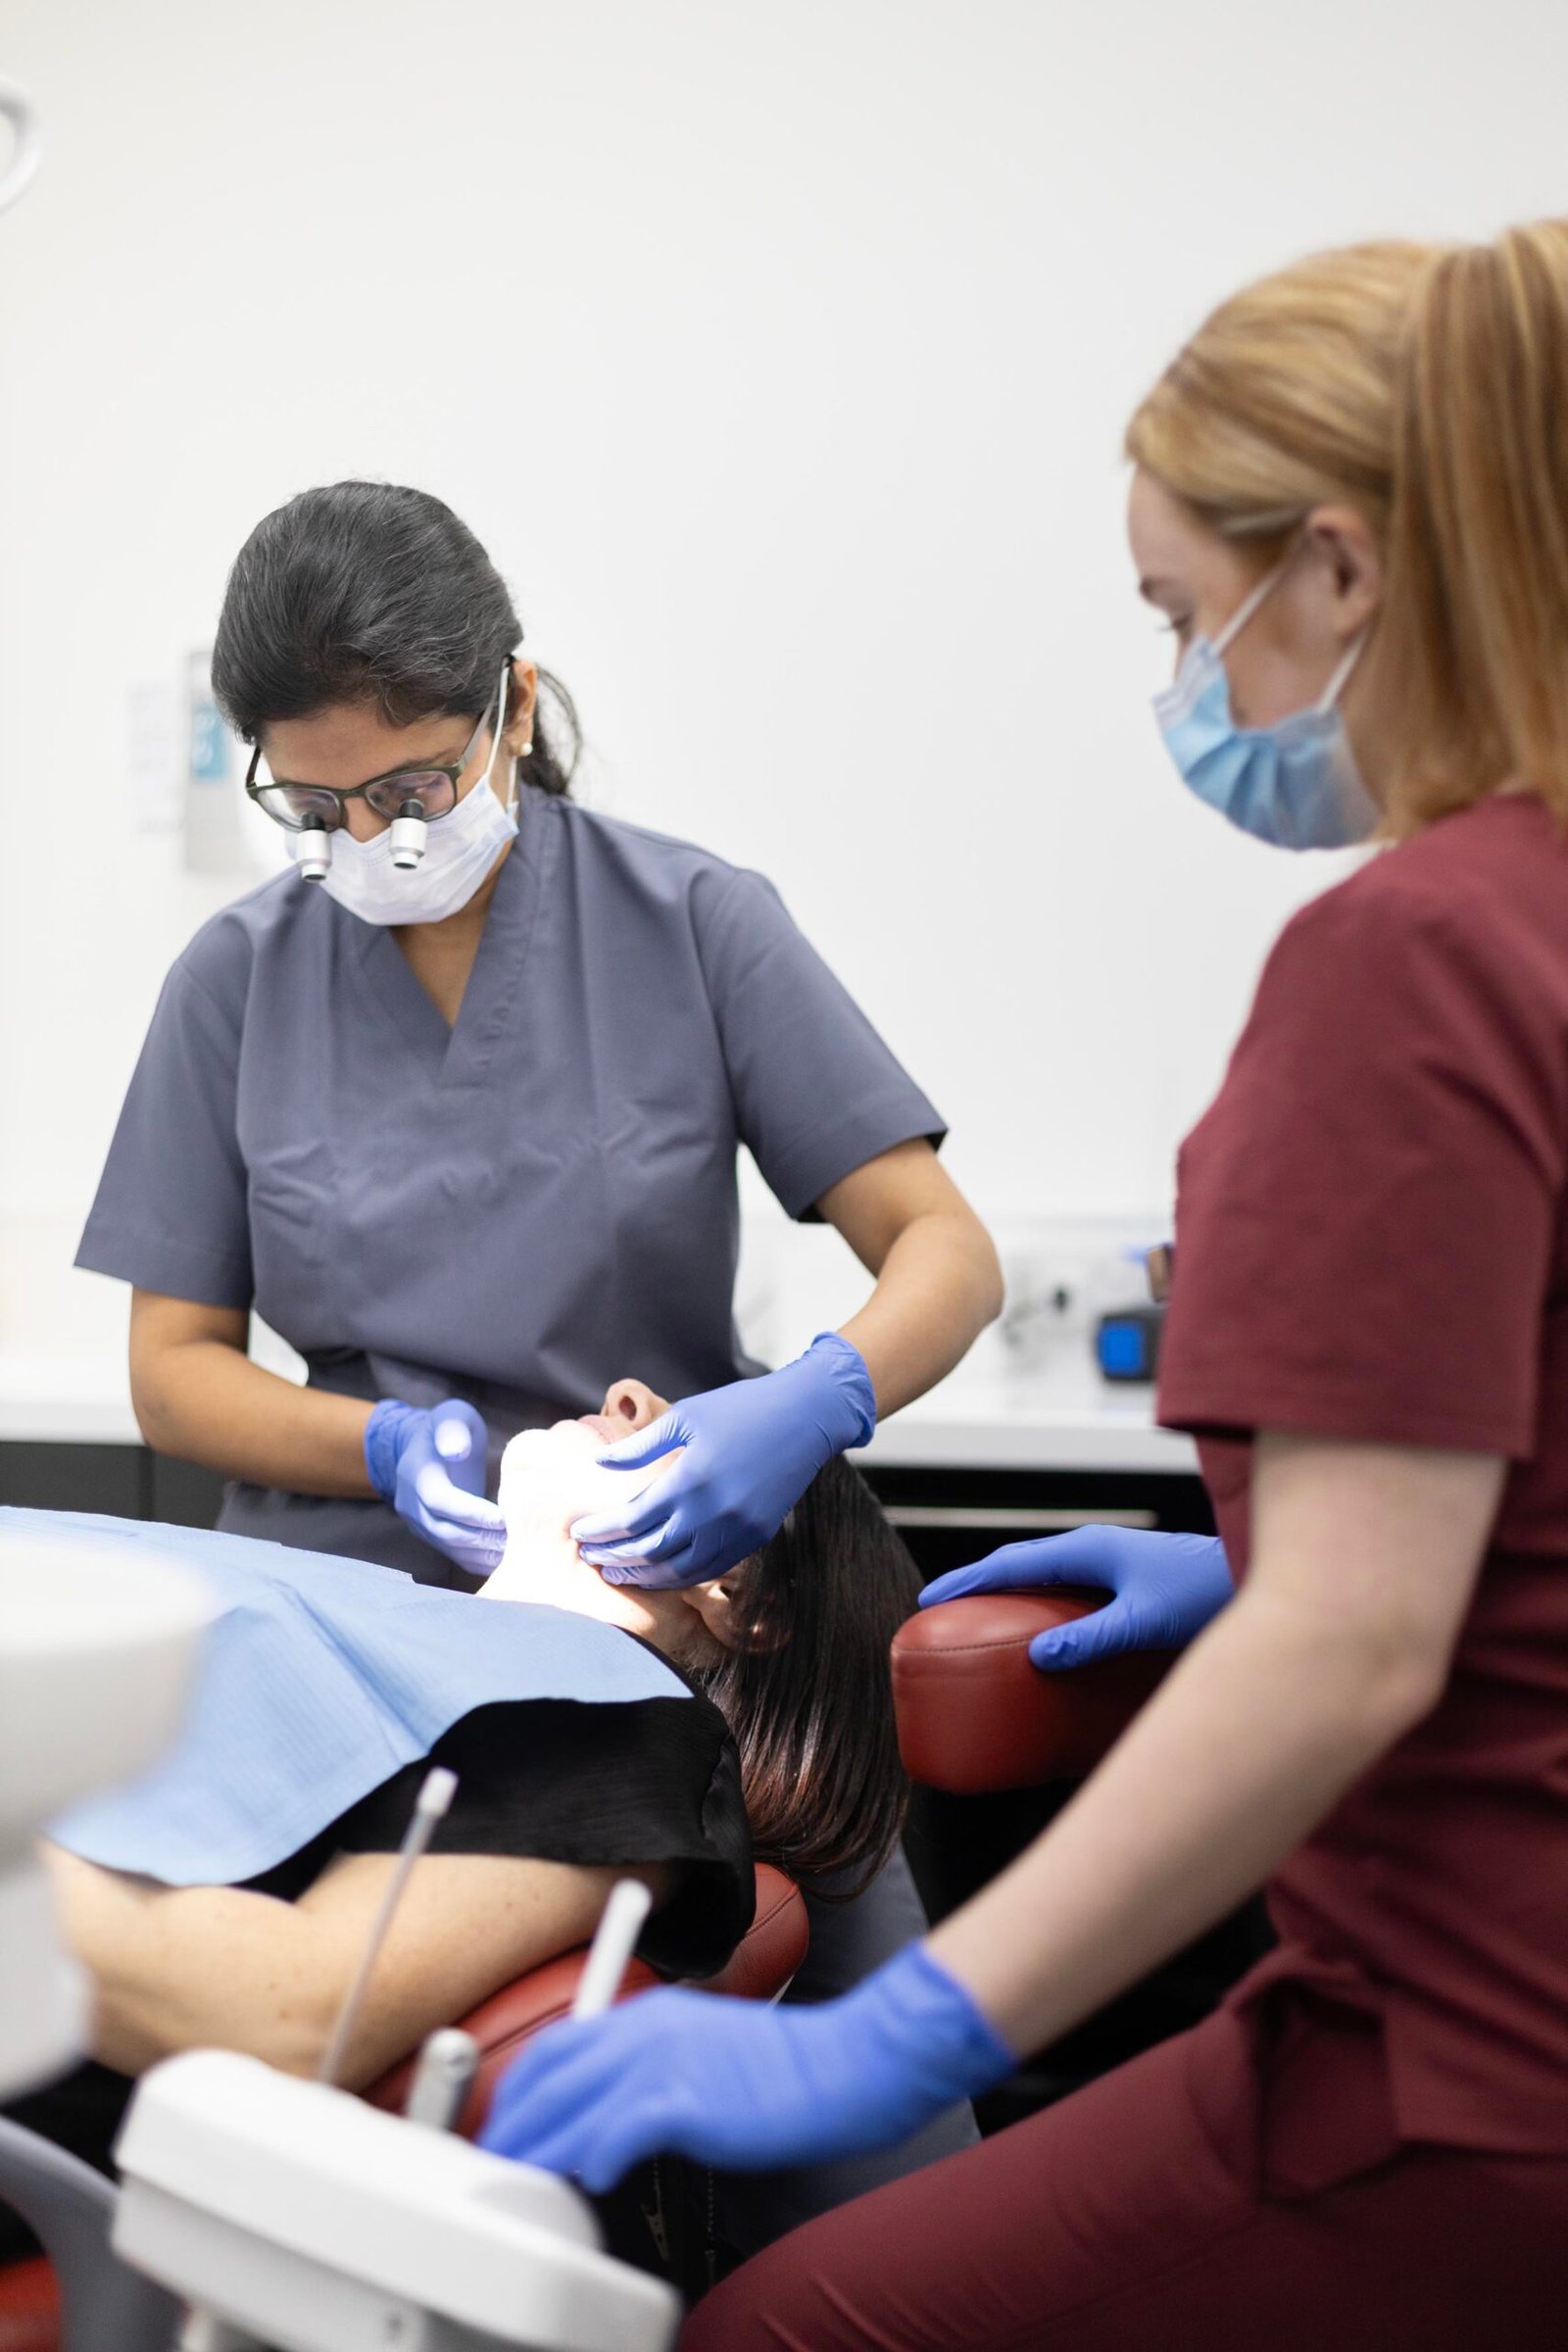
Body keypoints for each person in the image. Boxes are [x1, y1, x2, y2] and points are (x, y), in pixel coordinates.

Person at [480, 220, 1568, 2348]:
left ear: (1340, 574)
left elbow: (1354, 1656)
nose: (1190, 690)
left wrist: (880, 2047)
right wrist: (1255, 1582)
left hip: (1466, 2049)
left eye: (1186, 619)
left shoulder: (1411, 959)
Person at [74, 479, 1002, 2230]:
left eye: (415, 783)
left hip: (656, 1621)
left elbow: (940, 1251)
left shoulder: (694, 926)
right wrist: (376, 1451)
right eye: (320, 802)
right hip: (341, 1607)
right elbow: (173, 1369)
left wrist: (807, 1407)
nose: (376, 831)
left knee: (890, 2198)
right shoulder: (237, 980)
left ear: (510, 701)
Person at [0, 1381, 918, 2271]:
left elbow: (283, 2012)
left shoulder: (608, 1720)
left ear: (732, 1589)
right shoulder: (416, 1634)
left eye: (686, 1424)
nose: (628, 1389)